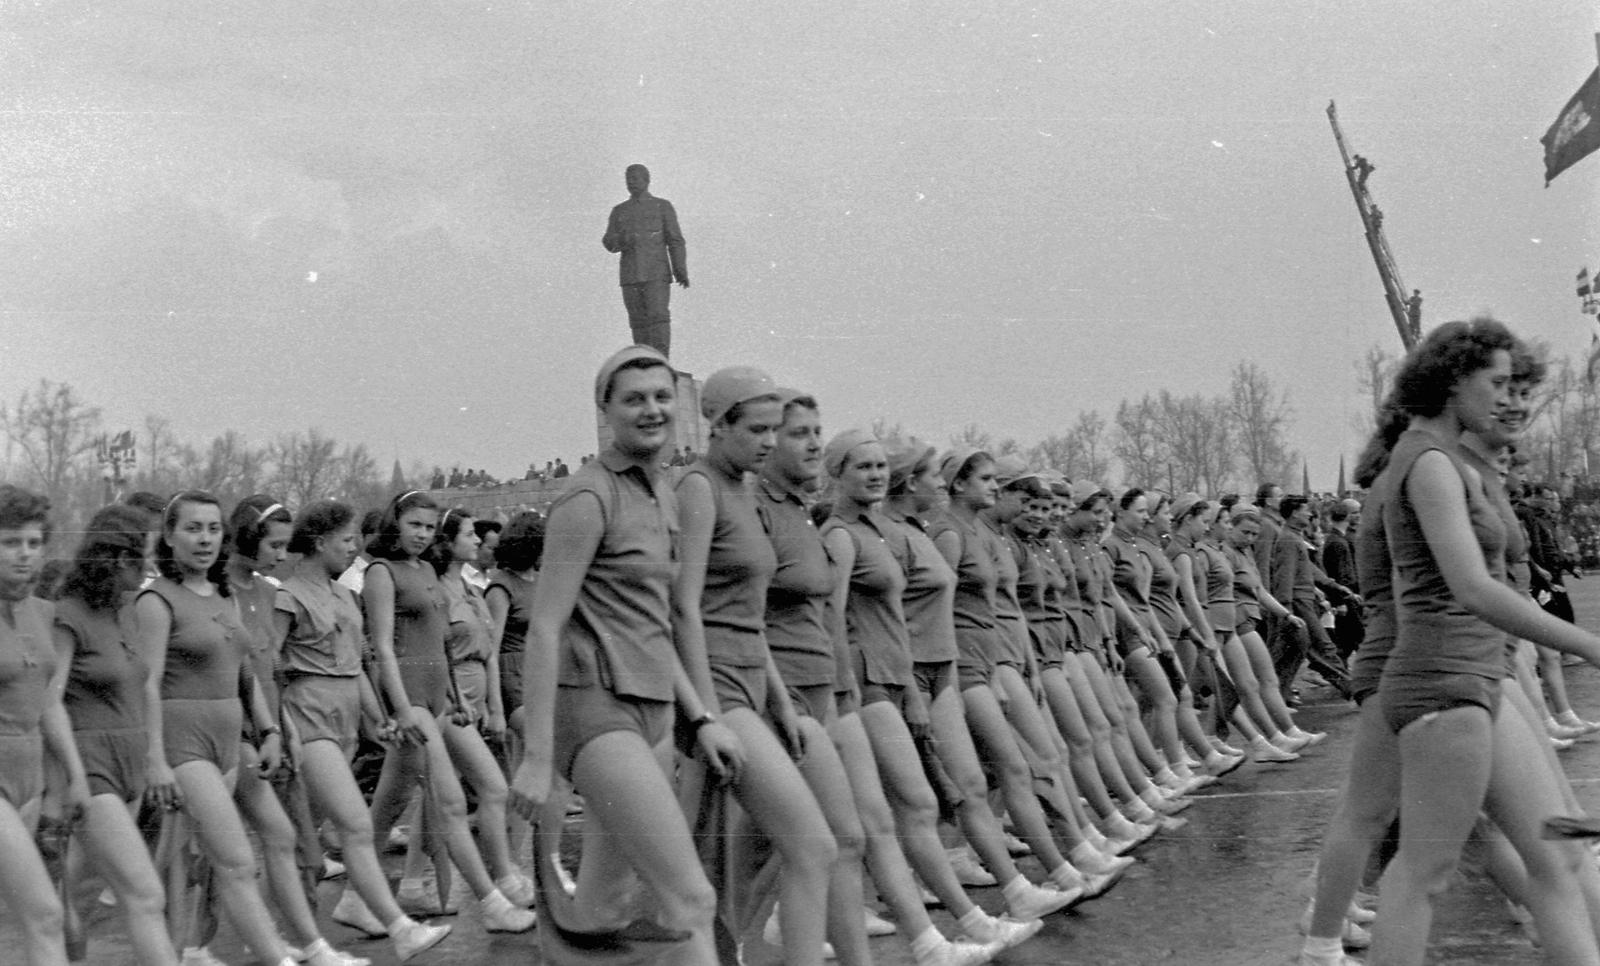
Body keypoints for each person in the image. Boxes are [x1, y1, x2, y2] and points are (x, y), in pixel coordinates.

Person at [1362, 319, 1600, 966]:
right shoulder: (1430, 463)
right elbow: (1472, 587)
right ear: (1450, 379)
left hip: (1472, 673)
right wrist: (1587, 644)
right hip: (1444, 681)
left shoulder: (1445, 460)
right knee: (1421, 875)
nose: (1510, 399)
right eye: (1497, 383)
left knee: (1559, 847)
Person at [508, 345, 742, 965]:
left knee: (606, 909)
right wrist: (537, 757)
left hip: (655, 709)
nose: (652, 409)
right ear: (605, 409)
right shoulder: (589, 497)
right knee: (688, 901)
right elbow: (545, 628)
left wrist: (701, 718)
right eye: (633, 398)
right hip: (593, 711)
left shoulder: (661, 491)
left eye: (662, 397)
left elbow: (655, 625)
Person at [673, 366, 838, 966]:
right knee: (812, 846)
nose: (770, 442)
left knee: (750, 853)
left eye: (777, 430)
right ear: (719, 425)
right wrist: (705, 715)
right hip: (716, 683)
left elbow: (752, 616)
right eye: (758, 429)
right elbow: (684, 609)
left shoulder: (742, 489)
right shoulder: (698, 487)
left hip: (751, 676)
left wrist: (779, 701)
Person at [272, 500, 452, 962]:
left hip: (346, 718)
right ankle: (399, 926)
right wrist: (279, 729)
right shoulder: (287, 596)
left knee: (296, 839)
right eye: (347, 540)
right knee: (354, 823)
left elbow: (356, 666)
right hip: (308, 717)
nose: (355, 548)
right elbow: (269, 668)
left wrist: (380, 721)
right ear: (319, 542)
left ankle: (279, 929)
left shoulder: (342, 597)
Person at [133, 490, 298, 966]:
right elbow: (146, 684)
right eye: (192, 529)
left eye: (212, 529)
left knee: (190, 864)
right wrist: (155, 760)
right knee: (237, 860)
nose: (204, 539)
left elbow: (244, 671)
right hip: (184, 746)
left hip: (230, 744)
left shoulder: (222, 593)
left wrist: (268, 730)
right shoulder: (156, 600)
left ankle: (180, 952)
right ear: (169, 536)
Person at [360, 490, 535, 934]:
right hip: (412, 703)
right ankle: (493, 901)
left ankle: (354, 896)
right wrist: (401, 711)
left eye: (428, 527)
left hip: (441, 701)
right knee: (451, 803)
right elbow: (381, 647)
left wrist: (456, 697)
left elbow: (441, 641)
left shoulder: (426, 570)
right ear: (394, 523)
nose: (421, 534)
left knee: (485, 787)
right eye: (413, 524)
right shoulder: (382, 572)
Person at [223, 496, 368, 966]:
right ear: (248, 537)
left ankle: (283, 938)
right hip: (230, 726)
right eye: (273, 545)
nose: (281, 556)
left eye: (287, 546)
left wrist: (279, 726)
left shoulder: (268, 591)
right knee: (225, 853)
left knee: (296, 841)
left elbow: (270, 670)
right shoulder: (223, 591)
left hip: (270, 726)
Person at [55, 505, 180, 966]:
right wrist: (71, 778)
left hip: (130, 764)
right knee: (145, 894)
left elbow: (145, 685)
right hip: (90, 767)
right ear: (113, 558)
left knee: (80, 896)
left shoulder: (127, 612)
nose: (149, 567)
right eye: (140, 557)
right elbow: (49, 703)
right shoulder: (67, 615)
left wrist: (154, 757)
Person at [0, 485, 84, 966]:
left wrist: (72, 776)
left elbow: (48, 701)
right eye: (11, 542)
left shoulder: (43, 613)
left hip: (30, 777)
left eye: (34, 543)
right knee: (45, 914)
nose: (25, 555)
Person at [602, 163, 689, 356]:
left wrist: (680, 268)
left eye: (635, 178)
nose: (631, 183)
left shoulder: (662, 206)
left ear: (646, 180)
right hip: (630, 273)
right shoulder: (619, 211)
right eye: (628, 179)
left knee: (658, 316)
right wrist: (622, 239)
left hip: (656, 272)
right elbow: (608, 241)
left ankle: (660, 360)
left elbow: (675, 240)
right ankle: (644, 360)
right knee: (638, 320)